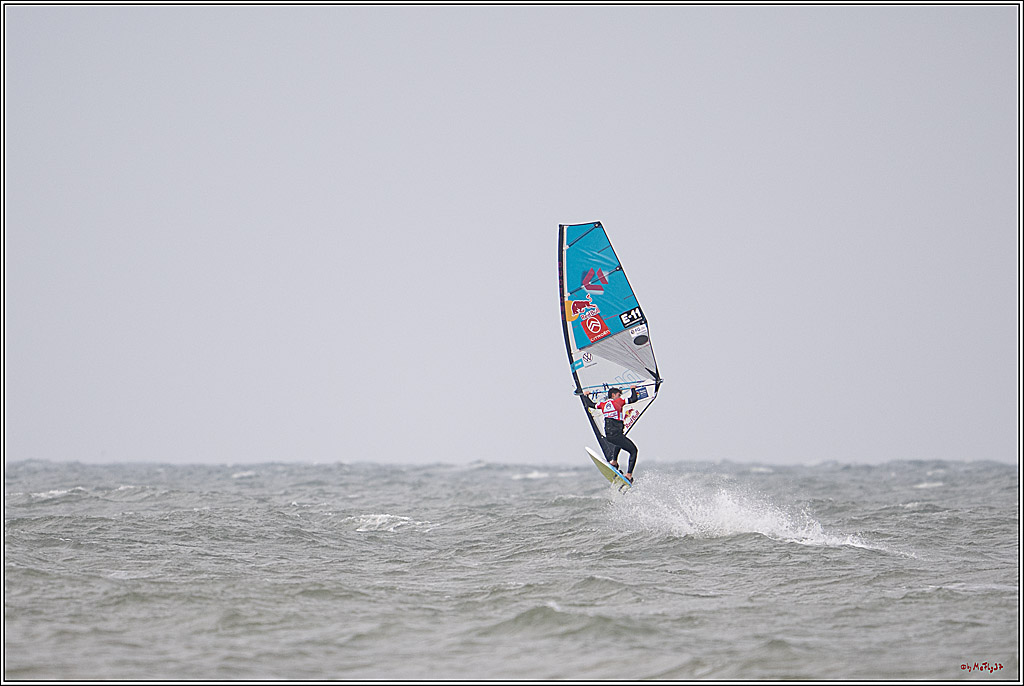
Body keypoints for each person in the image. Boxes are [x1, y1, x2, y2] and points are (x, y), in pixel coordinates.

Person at [582, 386, 640, 482]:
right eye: (618, 395)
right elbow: (634, 398)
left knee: (619, 443)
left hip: (609, 436)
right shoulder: (619, 402)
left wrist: (585, 396)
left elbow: (590, 405)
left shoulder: (603, 404)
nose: (620, 396)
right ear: (613, 395)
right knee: (633, 451)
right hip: (616, 435)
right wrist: (633, 389)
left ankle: (614, 461)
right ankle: (629, 475)